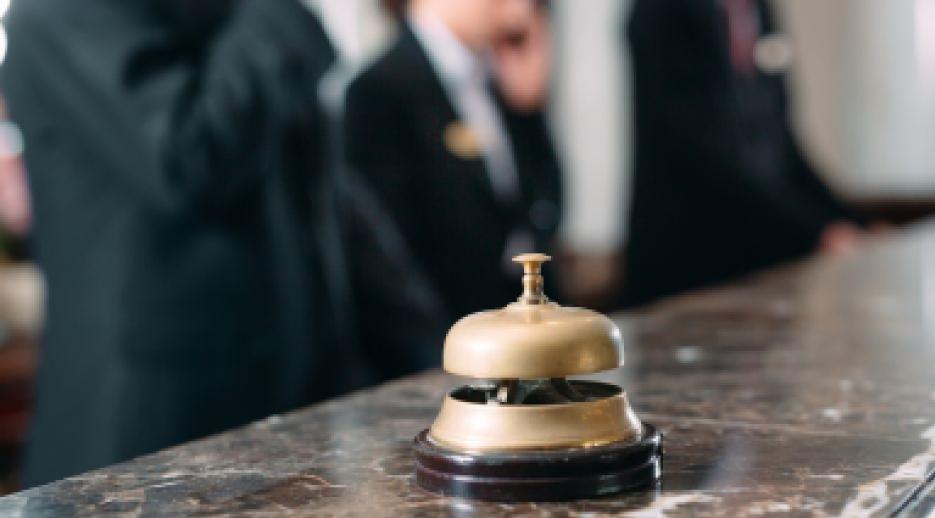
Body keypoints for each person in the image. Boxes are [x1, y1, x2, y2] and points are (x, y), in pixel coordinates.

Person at [1, 0, 441, 485]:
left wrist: (439, 360)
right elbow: (190, 158)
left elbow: (326, 203)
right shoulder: (65, 10)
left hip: (295, 418)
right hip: (153, 448)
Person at [621, 0, 868, 308]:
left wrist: (852, 223)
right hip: (690, 266)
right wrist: (813, 233)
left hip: (761, 265)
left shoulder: (758, 10)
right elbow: (699, 152)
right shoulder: (663, 11)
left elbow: (782, 146)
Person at [345, 0, 562, 324]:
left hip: (521, 326)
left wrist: (530, 111)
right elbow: (391, 256)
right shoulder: (378, 91)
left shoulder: (499, 73)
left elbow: (537, 208)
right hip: (448, 338)